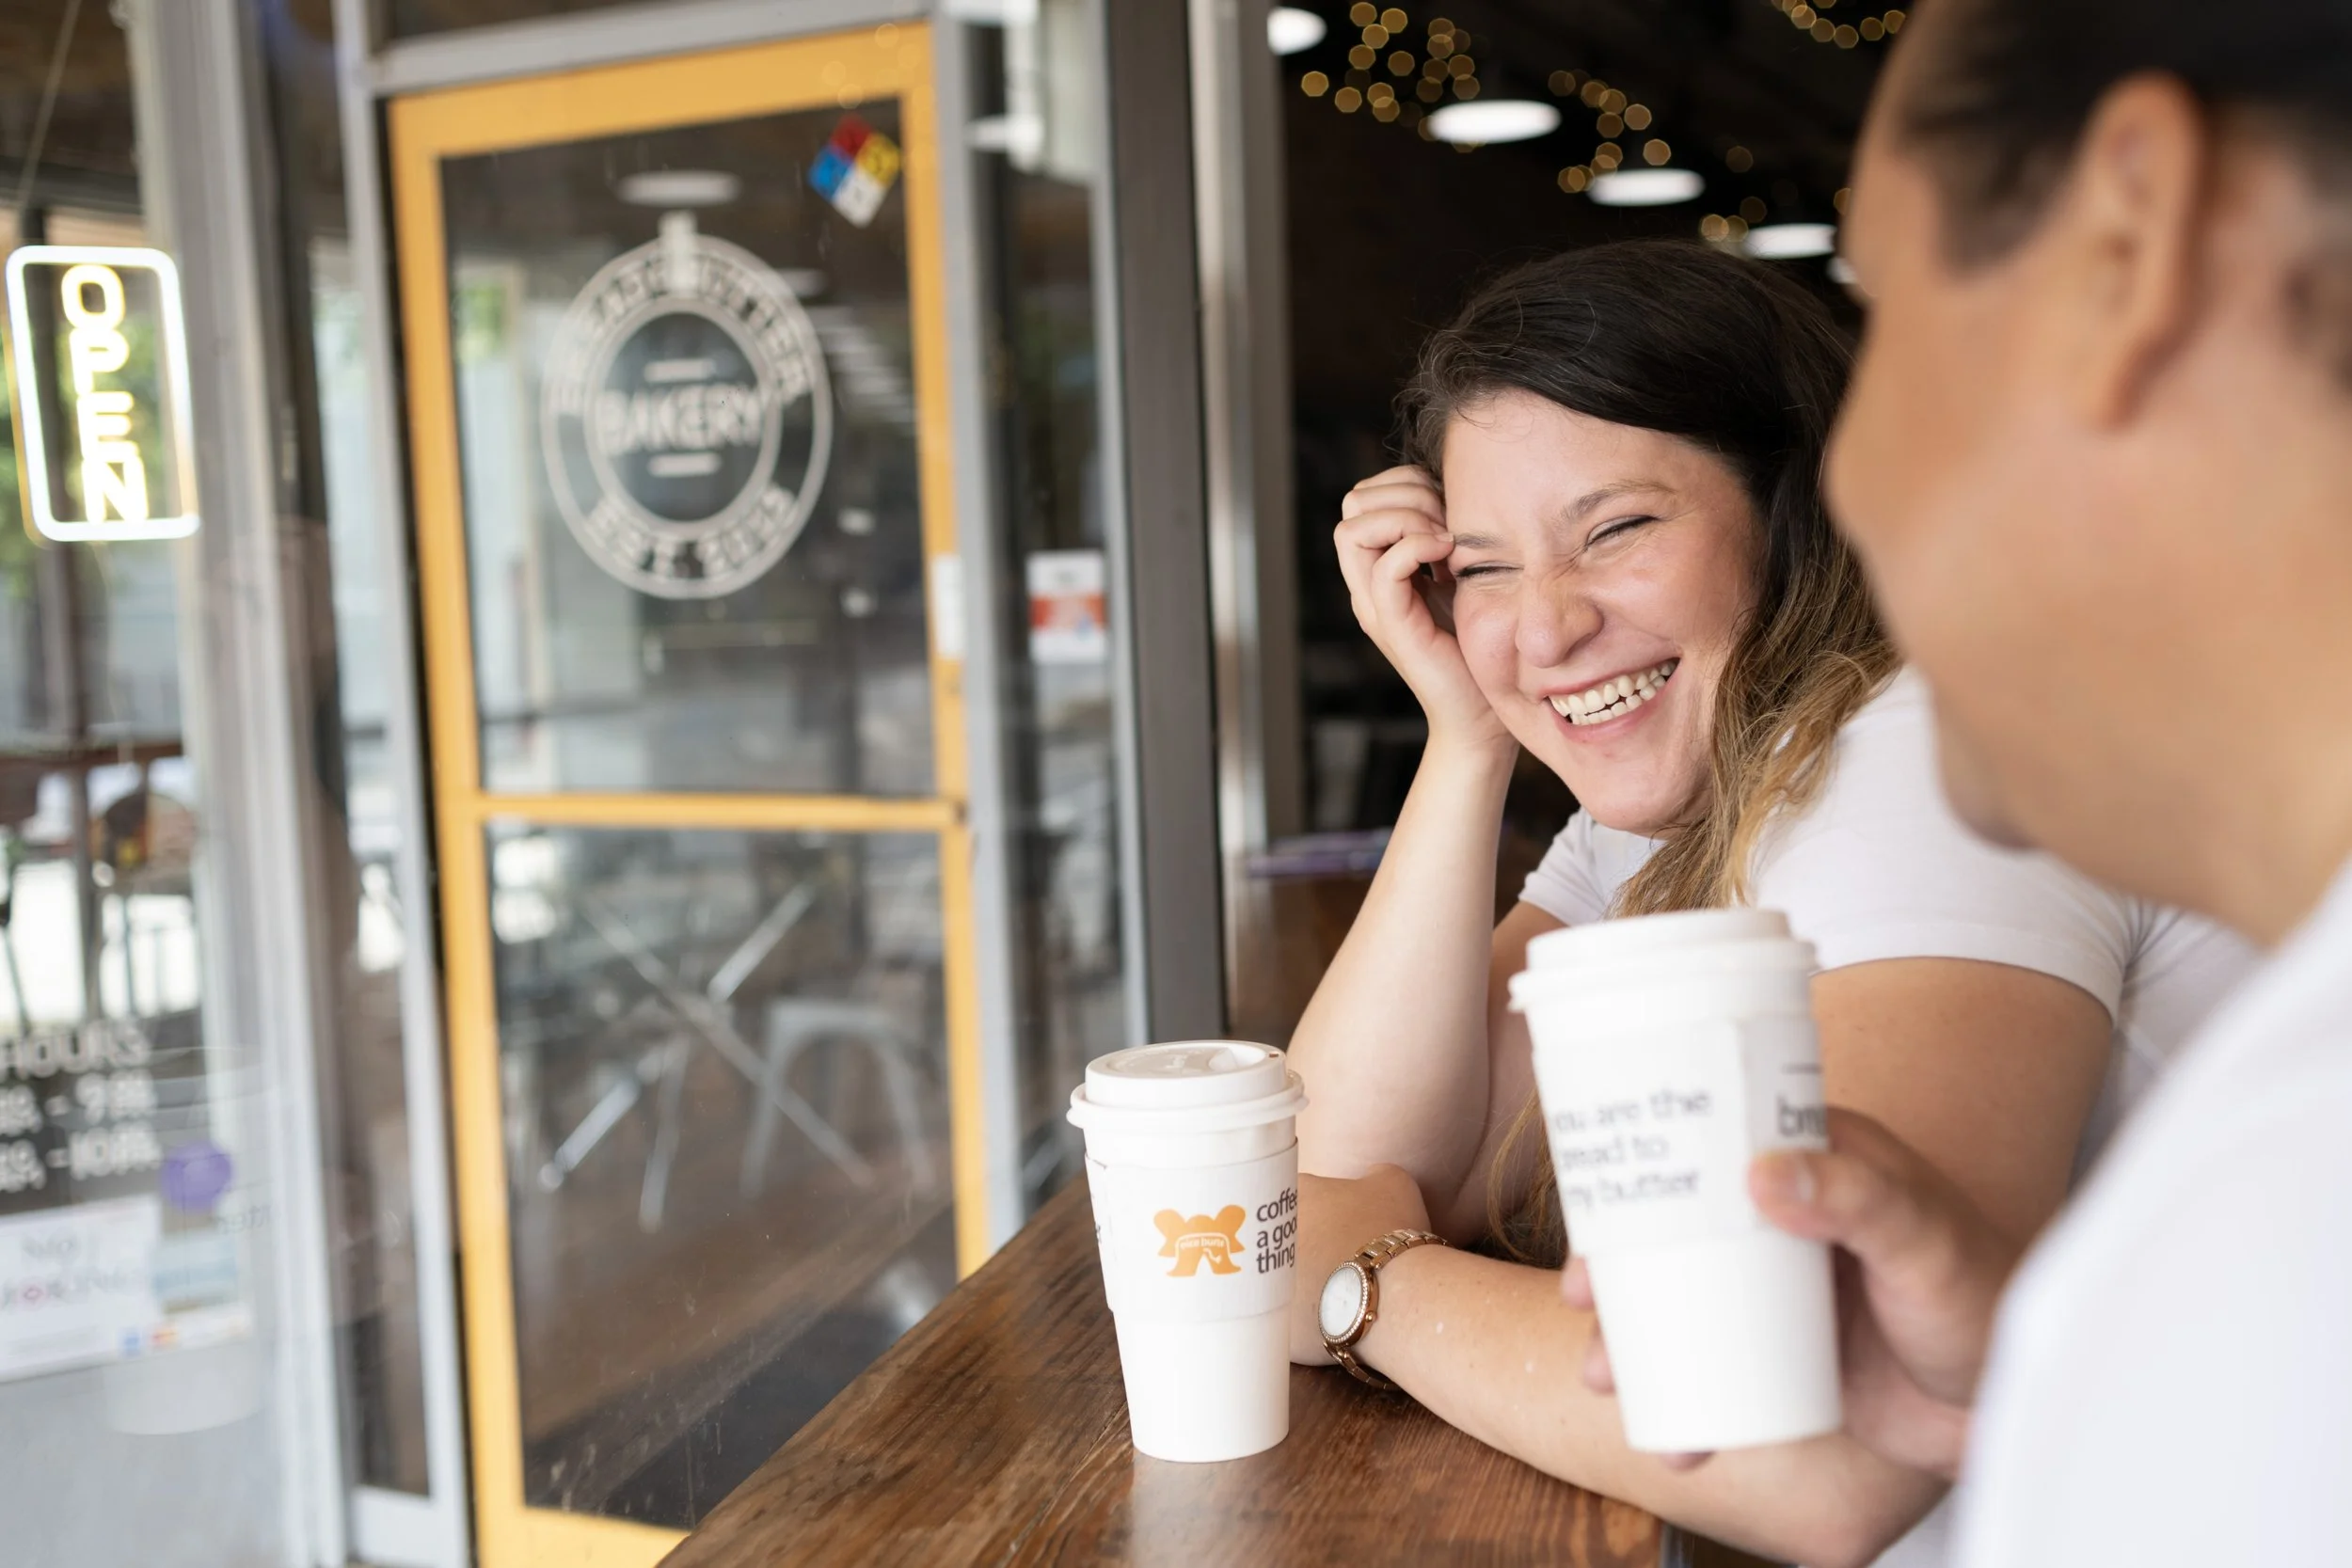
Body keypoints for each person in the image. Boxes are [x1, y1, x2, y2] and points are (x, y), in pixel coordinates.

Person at [1281, 241, 2250, 1567]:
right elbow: (1359, 1158)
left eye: (1616, 528)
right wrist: (1466, 738)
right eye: (1486, 568)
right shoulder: (1675, 790)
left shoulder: (1928, 748)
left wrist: (1370, 1291)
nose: (1547, 627)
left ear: (1795, 507)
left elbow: (1807, 1454)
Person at [1639, 1, 2352, 1562]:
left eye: (1883, 310)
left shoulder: (2304, 1215)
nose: (1849, 480)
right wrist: (2042, 1389)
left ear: (2128, 246)